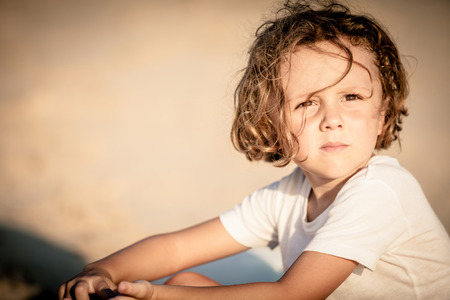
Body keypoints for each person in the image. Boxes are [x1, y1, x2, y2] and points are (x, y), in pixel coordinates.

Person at [59, 0, 450, 299]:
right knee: (185, 279)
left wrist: (154, 293)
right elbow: (178, 247)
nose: (332, 118)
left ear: (382, 115)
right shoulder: (288, 196)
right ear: (273, 125)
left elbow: (292, 295)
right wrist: (103, 270)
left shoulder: (381, 191)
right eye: (306, 103)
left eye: (351, 96)